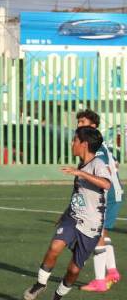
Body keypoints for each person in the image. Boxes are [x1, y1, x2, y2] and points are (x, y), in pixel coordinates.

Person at [23, 126, 112, 300]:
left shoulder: (98, 163)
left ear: (84, 144)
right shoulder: (82, 164)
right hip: (73, 217)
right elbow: (79, 194)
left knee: (73, 270)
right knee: (55, 246)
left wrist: (80, 173)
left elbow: (106, 184)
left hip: (92, 226)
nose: (72, 143)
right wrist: (66, 212)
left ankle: (57, 297)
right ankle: (40, 284)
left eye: (75, 140)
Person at [75, 110, 123, 292]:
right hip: (113, 194)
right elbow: (115, 163)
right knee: (102, 234)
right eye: (78, 122)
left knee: (96, 235)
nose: (79, 125)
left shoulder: (95, 149)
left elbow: (104, 173)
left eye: (82, 122)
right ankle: (112, 272)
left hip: (107, 196)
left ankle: (100, 281)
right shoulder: (100, 146)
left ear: (93, 126)